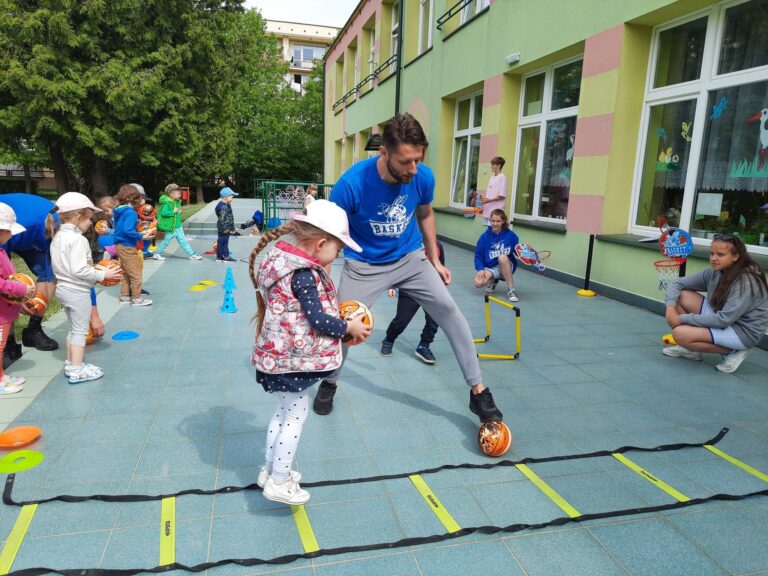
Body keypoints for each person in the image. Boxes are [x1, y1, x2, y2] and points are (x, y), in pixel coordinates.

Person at [314, 113, 504, 423]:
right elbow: (331, 233)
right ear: (384, 152)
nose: (413, 169)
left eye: (418, 159)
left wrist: (435, 259)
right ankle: (330, 381)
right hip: (365, 265)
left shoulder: (422, 176)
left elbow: (425, 214)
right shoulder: (351, 185)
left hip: (410, 258)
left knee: (449, 311)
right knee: (342, 329)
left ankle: (478, 392)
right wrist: (323, 272)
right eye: (405, 162)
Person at [250, 200, 371, 505]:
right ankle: (279, 480)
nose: (339, 253)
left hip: (276, 358)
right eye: (338, 247)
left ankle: (270, 471)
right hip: (290, 361)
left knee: (282, 412)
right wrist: (349, 328)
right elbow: (317, 319)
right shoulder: (303, 274)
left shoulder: (280, 260)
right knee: (296, 415)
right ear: (320, 243)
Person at [663, 234, 768, 373]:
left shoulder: (746, 281)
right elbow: (677, 283)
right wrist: (670, 308)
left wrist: (681, 319)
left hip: (742, 331)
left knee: (679, 335)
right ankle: (691, 351)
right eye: (711, 253)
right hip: (722, 317)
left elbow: (723, 320)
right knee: (682, 295)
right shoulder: (715, 272)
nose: (713, 258)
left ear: (735, 256)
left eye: (720, 254)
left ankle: (733, 350)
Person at [50, 193, 121, 384]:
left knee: (73, 329)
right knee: (80, 331)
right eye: (89, 218)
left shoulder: (58, 236)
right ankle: (77, 370)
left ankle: (71, 363)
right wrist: (102, 275)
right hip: (77, 291)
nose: (91, 223)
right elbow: (79, 269)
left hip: (63, 289)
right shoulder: (78, 240)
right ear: (77, 216)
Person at [0, 193, 60, 355]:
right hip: (11, 231)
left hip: (28, 233)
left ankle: (33, 329)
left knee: (50, 275)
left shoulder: (58, 230)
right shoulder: (20, 226)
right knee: (5, 285)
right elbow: (3, 281)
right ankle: (8, 342)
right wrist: (18, 298)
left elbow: (79, 277)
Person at [381, 241, 445, 364]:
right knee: (401, 321)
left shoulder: (438, 245)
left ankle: (424, 345)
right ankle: (389, 339)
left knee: (435, 319)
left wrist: (441, 287)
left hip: (431, 288)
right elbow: (394, 266)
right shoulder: (407, 244)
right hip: (410, 287)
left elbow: (440, 266)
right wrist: (391, 286)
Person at [0, 203, 36, 393]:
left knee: (2, 343)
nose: (12, 235)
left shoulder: (2, 250)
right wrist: (20, 288)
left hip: (5, 309)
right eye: (9, 231)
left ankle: (1, 375)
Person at [113, 184, 154, 306]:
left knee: (125, 272)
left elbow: (123, 229)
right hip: (128, 246)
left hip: (120, 245)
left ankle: (124, 296)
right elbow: (127, 230)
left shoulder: (120, 210)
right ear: (133, 199)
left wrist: (138, 232)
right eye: (139, 198)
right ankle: (136, 298)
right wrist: (142, 236)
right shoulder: (131, 213)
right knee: (136, 274)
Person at [474, 209, 520, 302]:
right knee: (478, 283)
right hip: (491, 266)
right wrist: (480, 269)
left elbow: (518, 251)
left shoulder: (510, 235)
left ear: (503, 221)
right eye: (493, 221)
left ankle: (511, 291)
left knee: (502, 257)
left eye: (498, 221)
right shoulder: (484, 237)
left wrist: (527, 249)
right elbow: (478, 256)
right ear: (490, 221)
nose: (495, 224)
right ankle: (494, 280)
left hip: (506, 264)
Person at [152, 183, 203, 261]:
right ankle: (157, 254)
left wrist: (178, 211)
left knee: (183, 241)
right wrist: (173, 211)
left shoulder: (177, 202)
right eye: (177, 191)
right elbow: (163, 213)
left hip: (178, 226)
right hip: (171, 227)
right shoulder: (167, 203)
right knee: (166, 241)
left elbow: (175, 212)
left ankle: (192, 254)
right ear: (171, 194)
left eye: (179, 191)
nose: (180, 193)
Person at [479, 157, 507, 226]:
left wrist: (489, 200)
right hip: (488, 209)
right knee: (489, 230)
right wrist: (485, 199)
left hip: (496, 211)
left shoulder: (502, 177)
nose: (491, 166)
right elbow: (491, 194)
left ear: (499, 165)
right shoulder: (492, 177)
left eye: (492, 164)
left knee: (495, 230)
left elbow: (501, 196)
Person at [215, 187, 239, 262]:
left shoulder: (224, 204)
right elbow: (221, 219)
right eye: (231, 197)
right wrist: (226, 229)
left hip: (224, 228)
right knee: (224, 242)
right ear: (226, 197)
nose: (232, 198)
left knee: (221, 241)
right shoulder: (223, 207)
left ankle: (219, 256)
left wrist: (232, 228)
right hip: (224, 228)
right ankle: (226, 256)